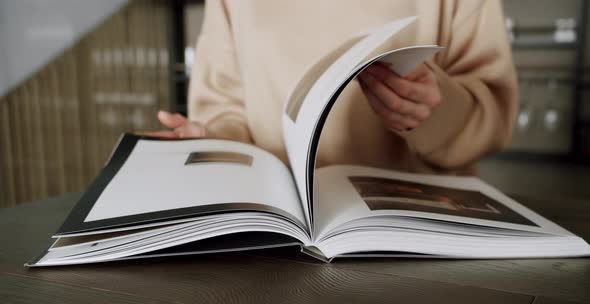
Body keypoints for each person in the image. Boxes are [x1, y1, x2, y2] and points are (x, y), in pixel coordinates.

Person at [145, 0, 518, 175]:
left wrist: (434, 109)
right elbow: (226, 109)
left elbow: (493, 110)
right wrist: (211, 141)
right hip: (274, 235)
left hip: (415, 232)